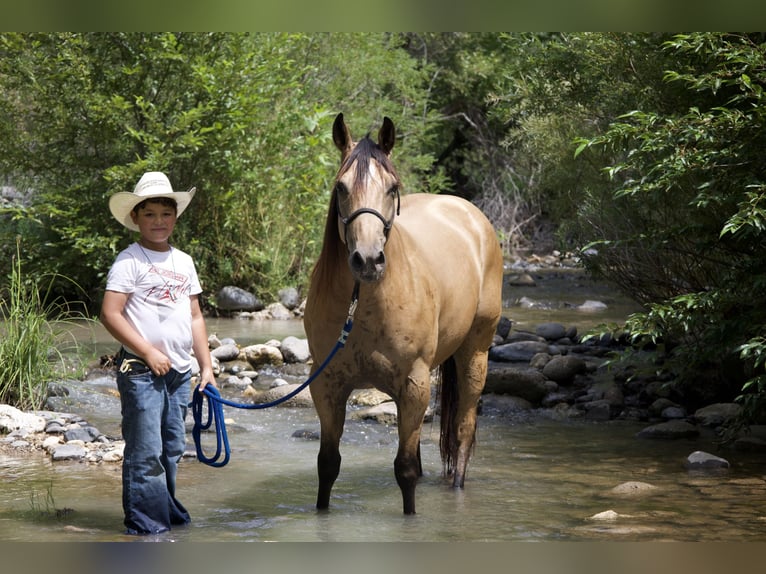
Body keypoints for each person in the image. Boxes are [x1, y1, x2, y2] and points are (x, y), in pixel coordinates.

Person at [100, 171, 216, 535]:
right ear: (135, 218)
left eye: (166, 214)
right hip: (141, 371)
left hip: (180, 372)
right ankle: (147, 528)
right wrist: (148, 351)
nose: (159, 222)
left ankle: (163, 512)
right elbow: (110, 313)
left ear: (175, 217)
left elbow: (195, 316)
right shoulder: (129, 261)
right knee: (146, 452)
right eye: (149, 214)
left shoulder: (184, 262)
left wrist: (207, 367)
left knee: (170, 449)